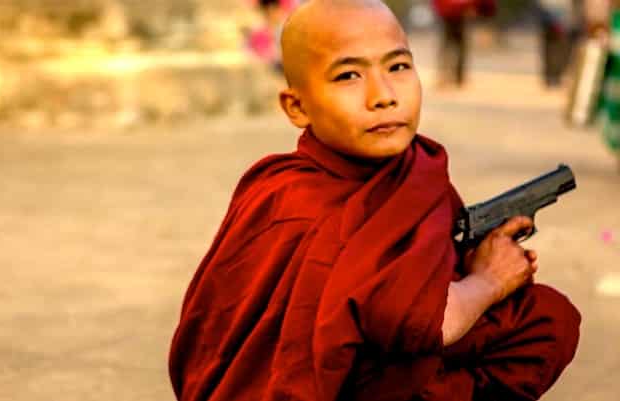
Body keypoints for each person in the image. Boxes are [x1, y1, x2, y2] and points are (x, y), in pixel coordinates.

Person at [168, 1, 581, 401]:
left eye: (398, 67)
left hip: (376, 367)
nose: (383, 95)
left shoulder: (414, 169)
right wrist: (489, 282)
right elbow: (424, 325)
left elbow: (419, 271)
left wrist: (472, 263)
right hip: (310, 384)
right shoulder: (287, 197)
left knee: (545, 317)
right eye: (349, 76)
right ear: (297, 106)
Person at [431, 0, 495, 88]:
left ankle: (452, 77)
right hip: (454, 12)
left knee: (452, 45)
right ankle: (451, 77)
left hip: (454, 12)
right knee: (455, 45)